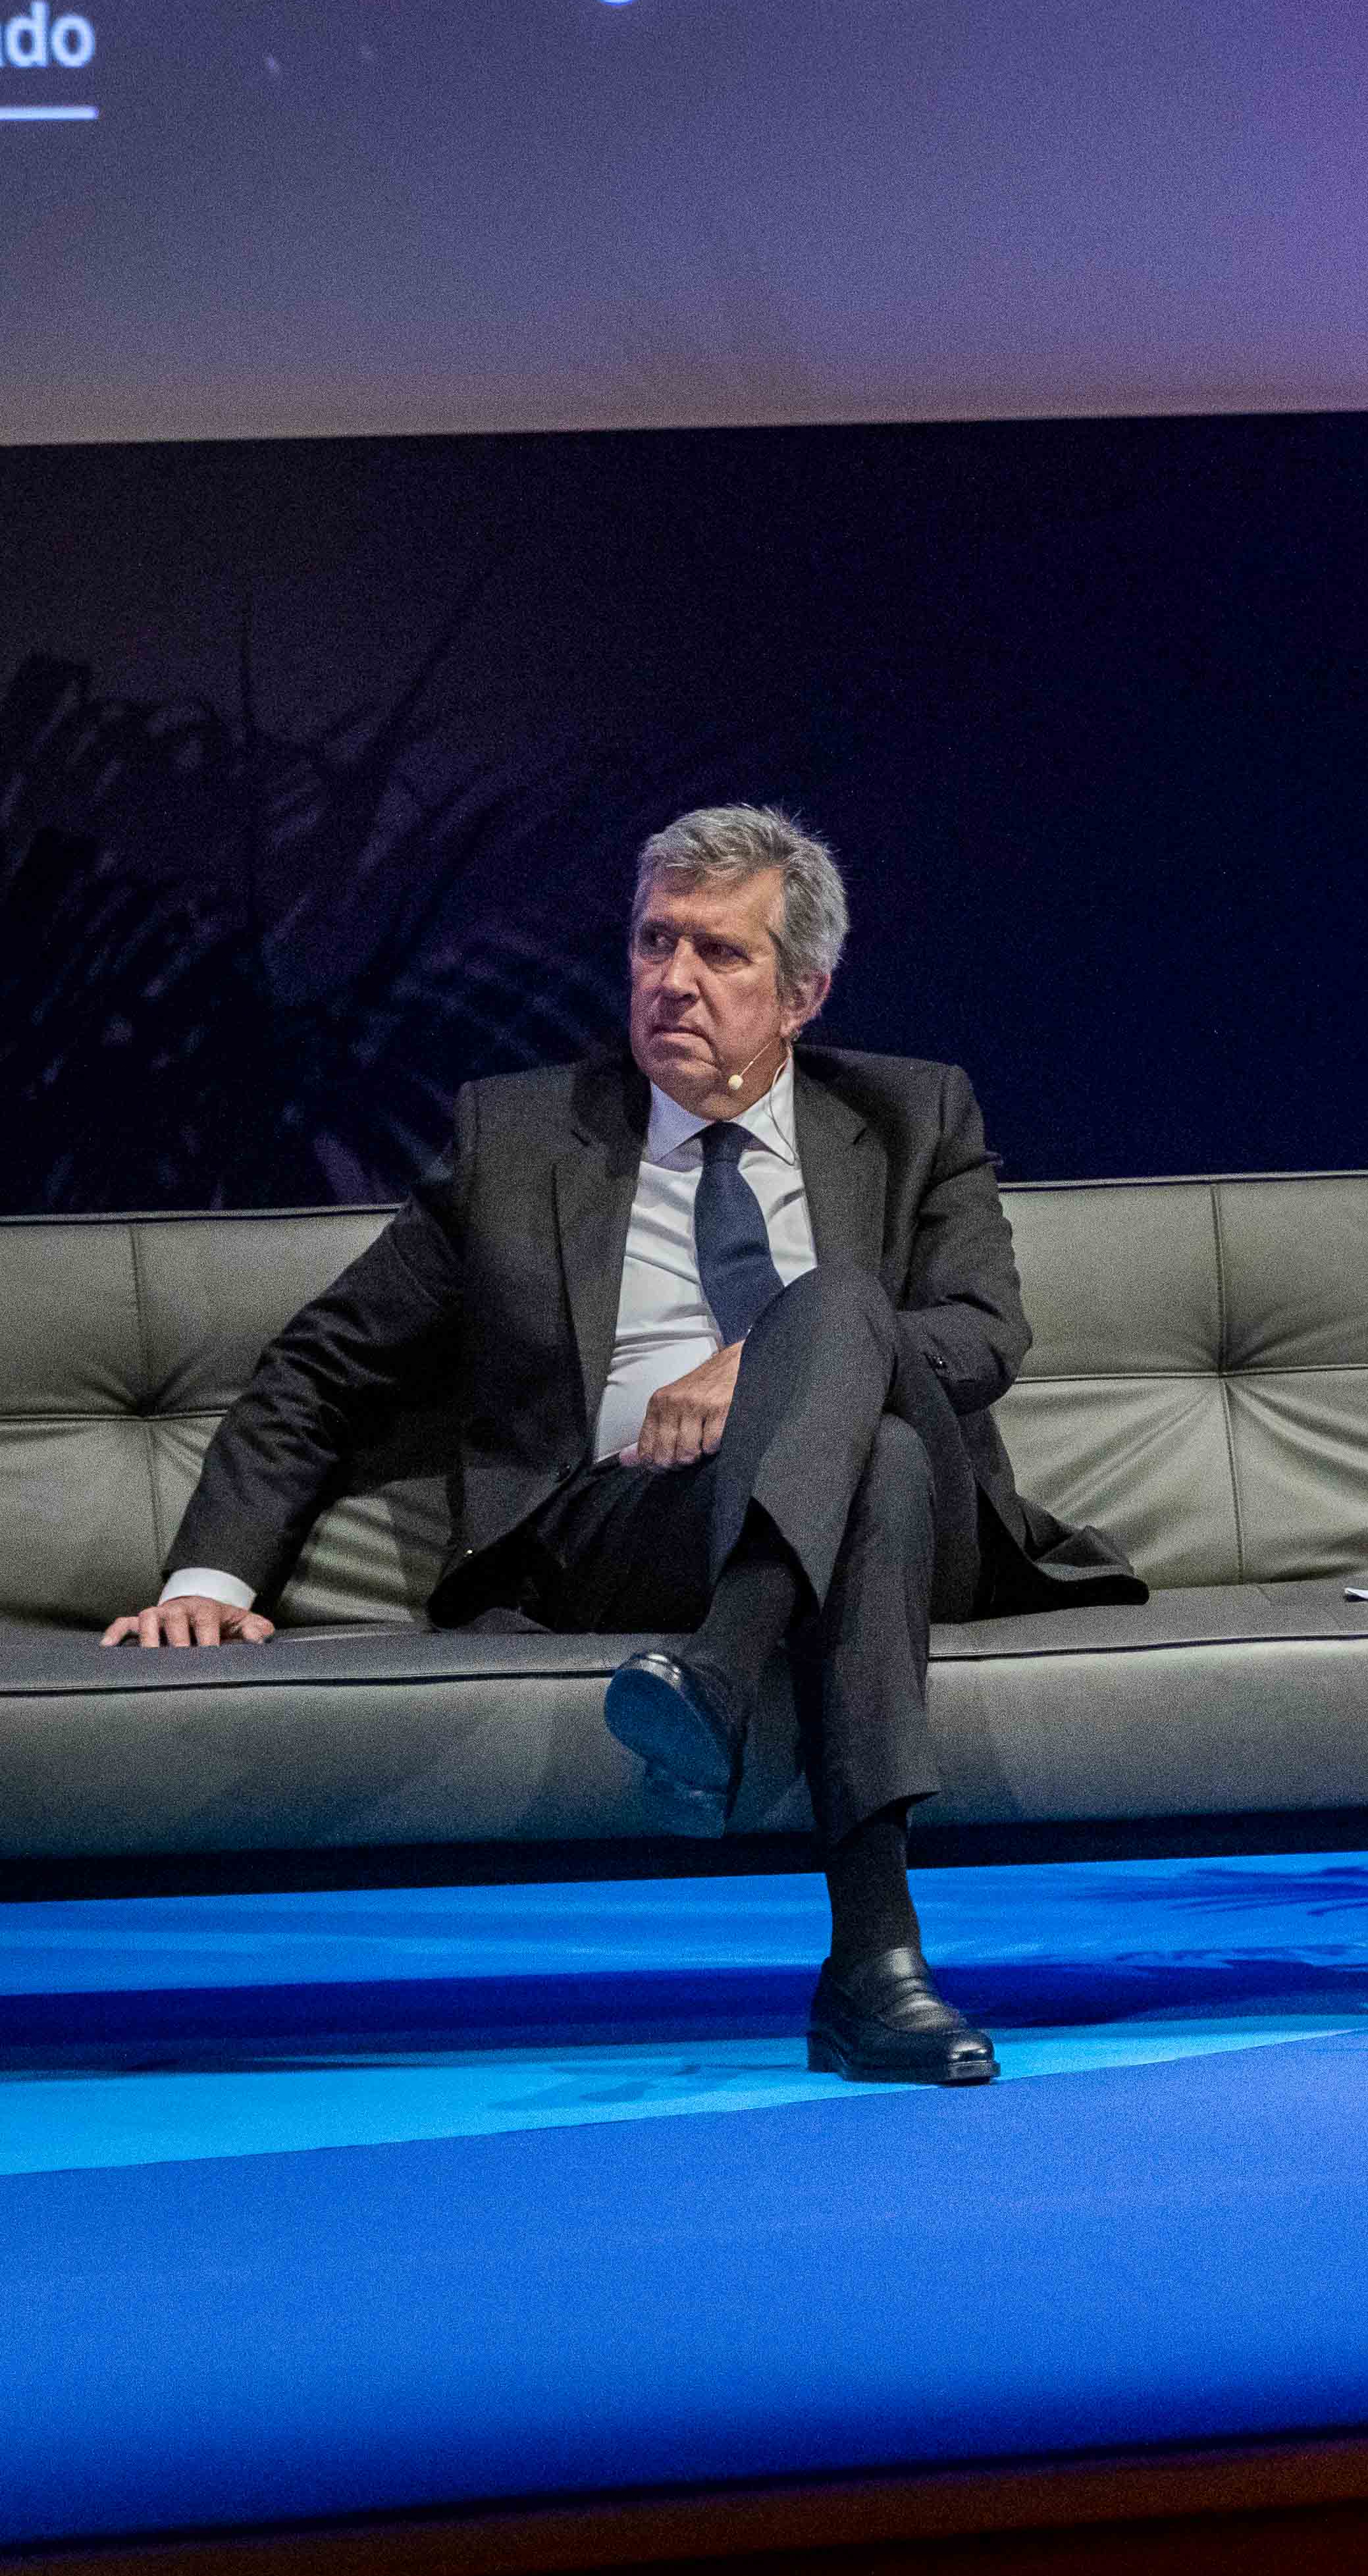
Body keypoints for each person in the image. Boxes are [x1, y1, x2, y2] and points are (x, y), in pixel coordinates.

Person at [101, 804, 1140, 2083]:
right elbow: (326, 1365)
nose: (674, 981)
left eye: (720, 954)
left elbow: (981, 1335)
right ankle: (873, 1967)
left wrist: (763, 1361)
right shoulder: (520, 1139)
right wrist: (206, 1583)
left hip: (937, 1549)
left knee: (846, 1312)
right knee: (881, 1467)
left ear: (803, 991)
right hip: (630, 1526)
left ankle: (720, 1670)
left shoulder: (914, 1115)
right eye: (655, 943)